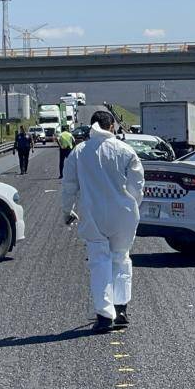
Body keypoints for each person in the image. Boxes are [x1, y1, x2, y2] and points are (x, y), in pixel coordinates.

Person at [61, 111, 145, 333]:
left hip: (92, 214)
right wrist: (132, 206)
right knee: (121, 259)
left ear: (91, 127)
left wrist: (66, 211)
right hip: (123, 214)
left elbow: (69, 186)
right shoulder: (125, 150)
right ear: (112, 127)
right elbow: (137, 185)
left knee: (99, 263)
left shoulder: (79, 152)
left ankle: (105, 316)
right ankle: (121, 310)